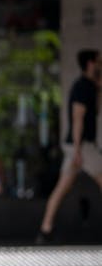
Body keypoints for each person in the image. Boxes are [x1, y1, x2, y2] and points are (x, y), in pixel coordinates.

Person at [36, 48, 102, 243]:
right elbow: (77, 118)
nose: (100, 65)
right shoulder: (82, 87)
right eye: (98, 61)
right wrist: (78, 149)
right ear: (90, 63)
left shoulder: (90, 86)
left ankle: (45, 229)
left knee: (62, 187)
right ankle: (45, 229)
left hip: (78, 146)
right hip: (82, 146)